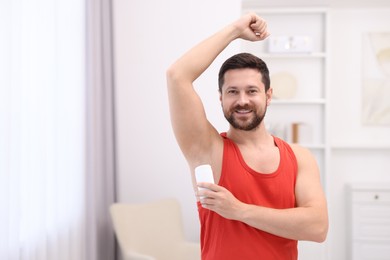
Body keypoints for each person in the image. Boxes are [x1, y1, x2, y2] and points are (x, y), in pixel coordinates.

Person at [166, 12, 328, 260]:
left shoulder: (299, 157)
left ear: (268, 95)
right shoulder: (208, 149)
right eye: (233, 91)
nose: (242, 101)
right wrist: (234, 30)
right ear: (221, 98)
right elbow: (177, 76)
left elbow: (318, 228)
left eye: (252, 91)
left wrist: (239, 211)